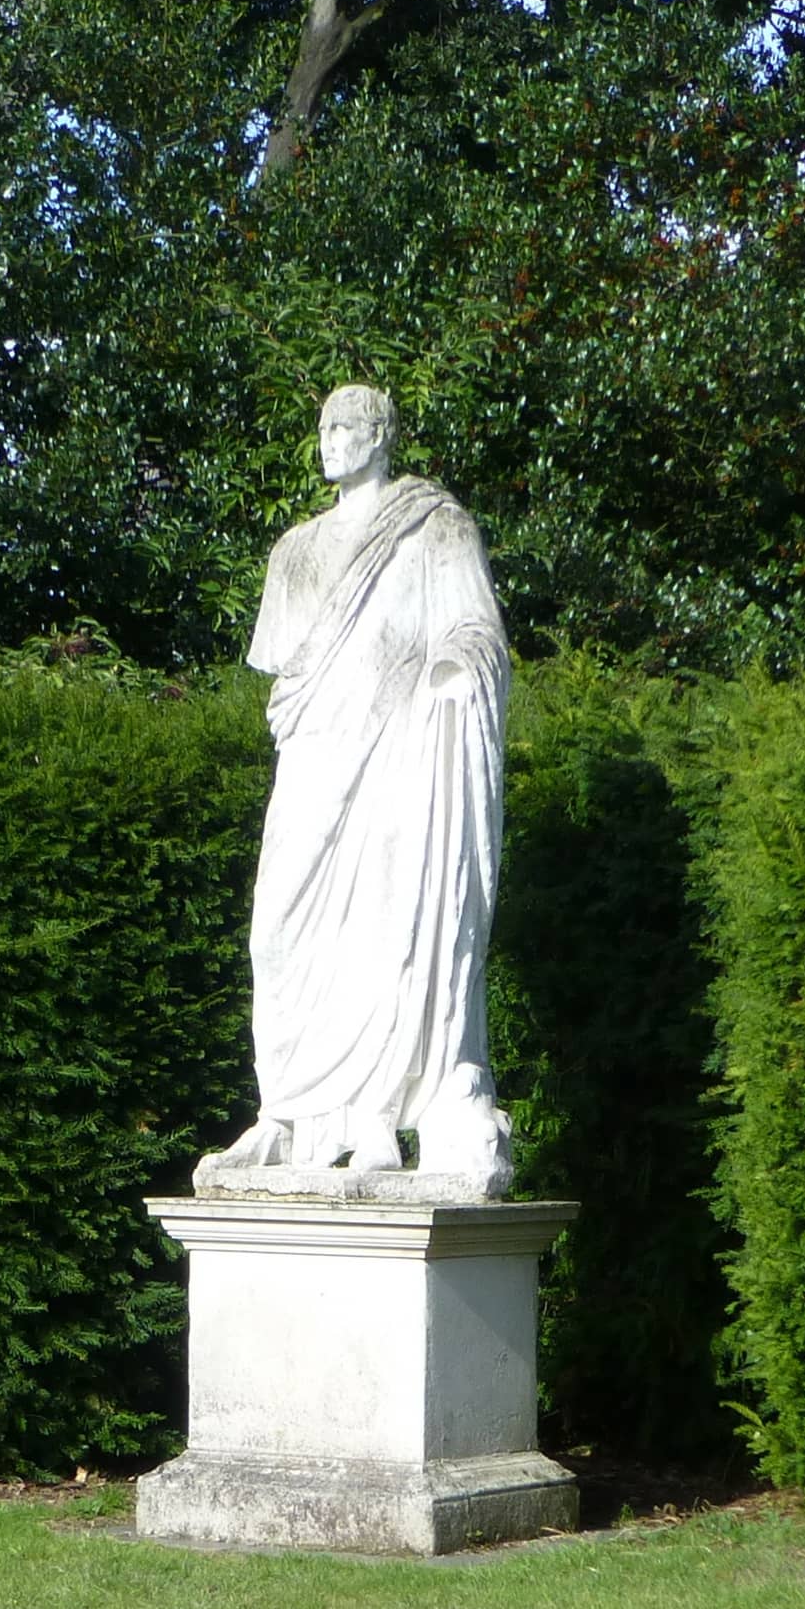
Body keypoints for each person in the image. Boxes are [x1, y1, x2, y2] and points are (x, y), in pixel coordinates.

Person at [206, 384, 514, 1184]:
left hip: (398, 747)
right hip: (314, 754)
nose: (329, 440)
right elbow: (287, 672)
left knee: (384, 926)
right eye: (323, 427)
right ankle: (289, 1109)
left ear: (380, 437)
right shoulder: (294, 551)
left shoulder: (435, 527)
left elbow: (477, 631)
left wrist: (451, 673)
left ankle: (374, 1114)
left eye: (345, 426)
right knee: (277, 930)